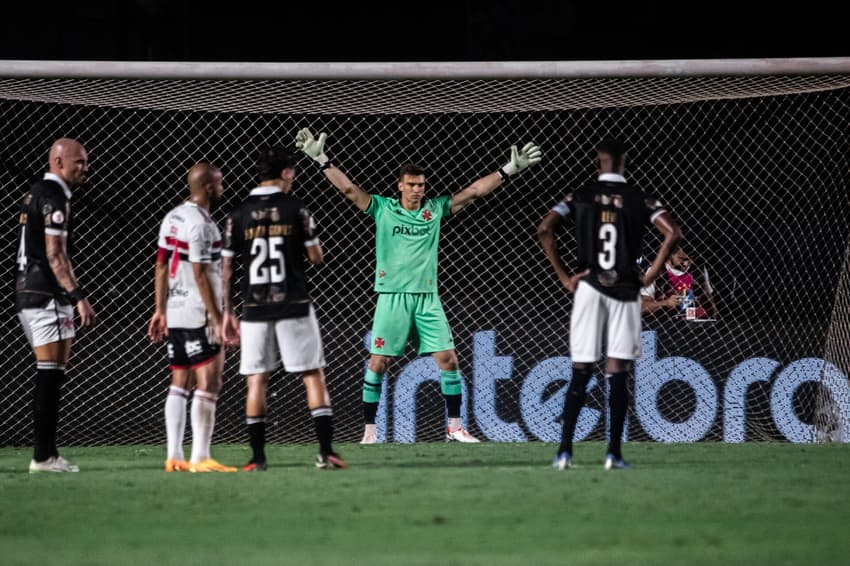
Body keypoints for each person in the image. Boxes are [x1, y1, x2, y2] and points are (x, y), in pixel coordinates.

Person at [295, 127, 542, 444]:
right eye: (411, 185)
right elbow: (350, 191)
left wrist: (508, 170)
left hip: (427, 298)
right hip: (392, 297)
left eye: (421, 185)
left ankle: (454, 428)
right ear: (399, 186)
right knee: (378, 363)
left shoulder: (434, 210)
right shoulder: (383, 209)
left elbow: (474, 192)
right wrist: (322, 160)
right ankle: (370, 432)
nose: (416, 190)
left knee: (449, 360)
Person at [537, 138, 681, 471]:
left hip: (589, 288)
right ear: (624, 161)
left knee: (581, 370)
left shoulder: (580, 195)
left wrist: (563, 276)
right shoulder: (641, 199)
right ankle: (613, 454)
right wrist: (651, 274)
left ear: (598, 161)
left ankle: (564, 453)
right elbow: (672, 233)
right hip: (627, 290)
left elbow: (544, 228)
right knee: (617, 372)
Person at [221, 145, 346, 471]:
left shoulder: (239, 214)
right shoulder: (296, 209)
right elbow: (317, 257)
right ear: (287, 173)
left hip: (254, 307)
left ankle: (257, 458)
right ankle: (326, 452)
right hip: (294, 303)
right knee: (312, 374)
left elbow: (226, 268)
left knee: (257, 380)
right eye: (293, 174)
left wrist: (225, 311)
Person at [147, 162, 237, 473]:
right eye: (220, 182)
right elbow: (200, 274)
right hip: (199, 313)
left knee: (179, 382)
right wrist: (216, 317)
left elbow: (160, 265)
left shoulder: (172, 216)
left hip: (175, 310)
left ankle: (174, 456)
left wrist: (160, 309)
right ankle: (200, 456)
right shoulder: (201, 224)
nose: (224, 187)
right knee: (209, 383)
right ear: (209, 187)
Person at [15, 138, 96, 473]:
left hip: (33, 292)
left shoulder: (36, 192)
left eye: (86, 161)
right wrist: (78, 296)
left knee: (53, 374)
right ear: (58, 162)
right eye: (78, 161)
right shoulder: (53, 196)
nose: (85, 167)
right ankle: (43, 456)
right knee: (48, 376)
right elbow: (55, 254)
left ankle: (46, 453)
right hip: (45, 294)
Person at [642, 244, 718, 319]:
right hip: (666, 323)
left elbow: (711, 304)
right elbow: (643, 307)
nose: (686, 264)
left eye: (690, 259)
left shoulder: (698, 270)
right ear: (670, 254)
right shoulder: (655, 271)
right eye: (682, 259)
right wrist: (665, 303)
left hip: (694, 324)